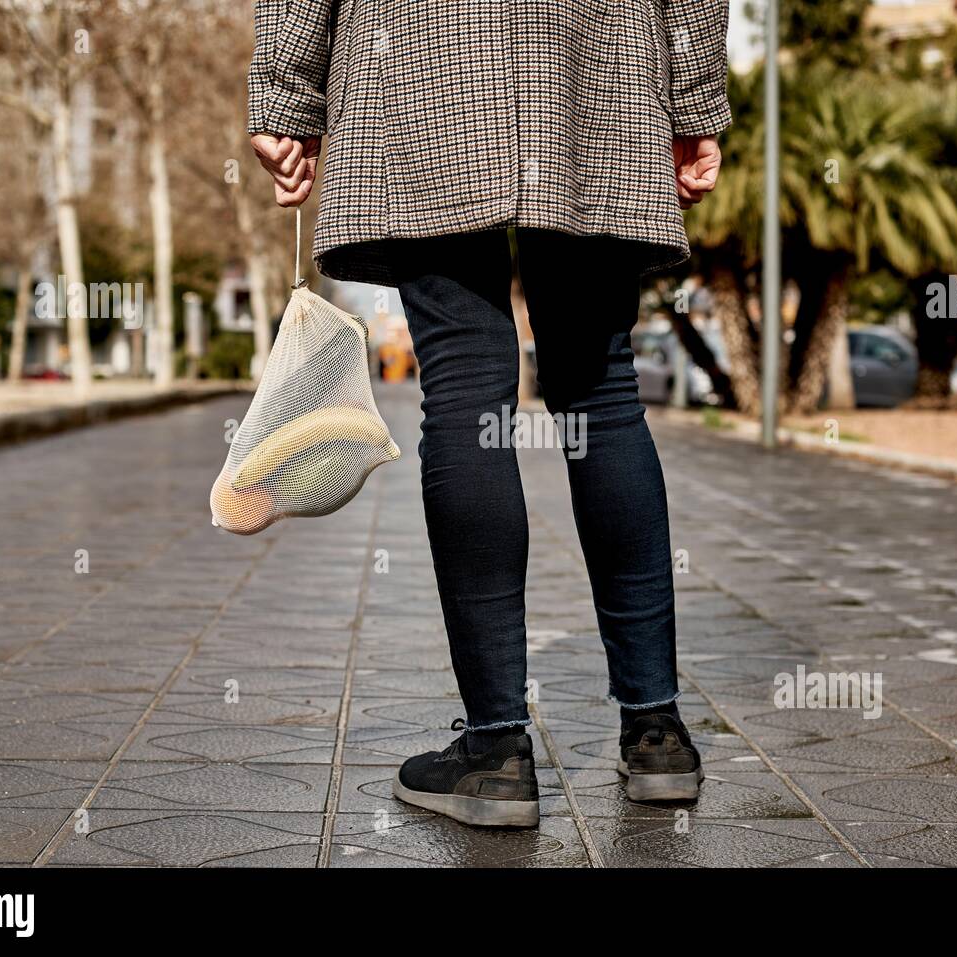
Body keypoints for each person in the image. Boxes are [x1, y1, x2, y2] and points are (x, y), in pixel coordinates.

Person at [248, 0, 729, 828]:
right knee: (604, 391)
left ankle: (498, 750)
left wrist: (288, 98)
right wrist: (693, 100)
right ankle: (656, 732)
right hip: (596, 52)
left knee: (469, 390)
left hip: (422, 48)